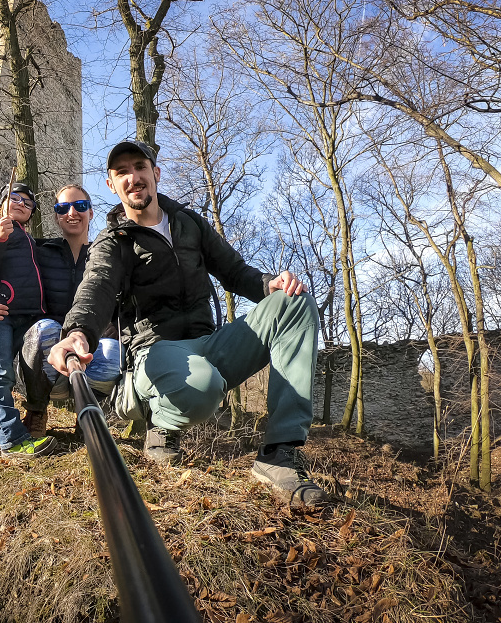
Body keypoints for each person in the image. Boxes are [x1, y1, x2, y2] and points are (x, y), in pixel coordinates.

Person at [48, 140, 327, 506]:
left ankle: (280, 452)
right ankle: (158, 424)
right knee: (202, 383)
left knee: (295, 303)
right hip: (152, 353)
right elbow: (96, 287)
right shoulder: (114, 241)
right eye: (122, 173)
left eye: (140, 167)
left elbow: (234, 271)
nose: (133, 177)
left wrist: (268, 285)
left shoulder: (189, 223)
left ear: (155, 173)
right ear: (111, 185)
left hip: (208, 343)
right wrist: (77, 333)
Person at [18, 184, 120, 437]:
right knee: (44, 329)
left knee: (114, 350)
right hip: (43, 361)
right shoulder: (38, 252)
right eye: (62, 208)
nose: (72, 212)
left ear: (91, 212)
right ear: (55, 216)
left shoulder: (106, 257)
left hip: (89, 360)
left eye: (80, 206)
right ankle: (36, 412)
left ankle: (87, 415)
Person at [0, 183, 57, 458]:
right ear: (3, 202)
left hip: (28, 315)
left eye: (27, 203)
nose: (20, 204)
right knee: (0, 372)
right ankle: (12, 438)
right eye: (14, 198)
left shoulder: (29, 238)